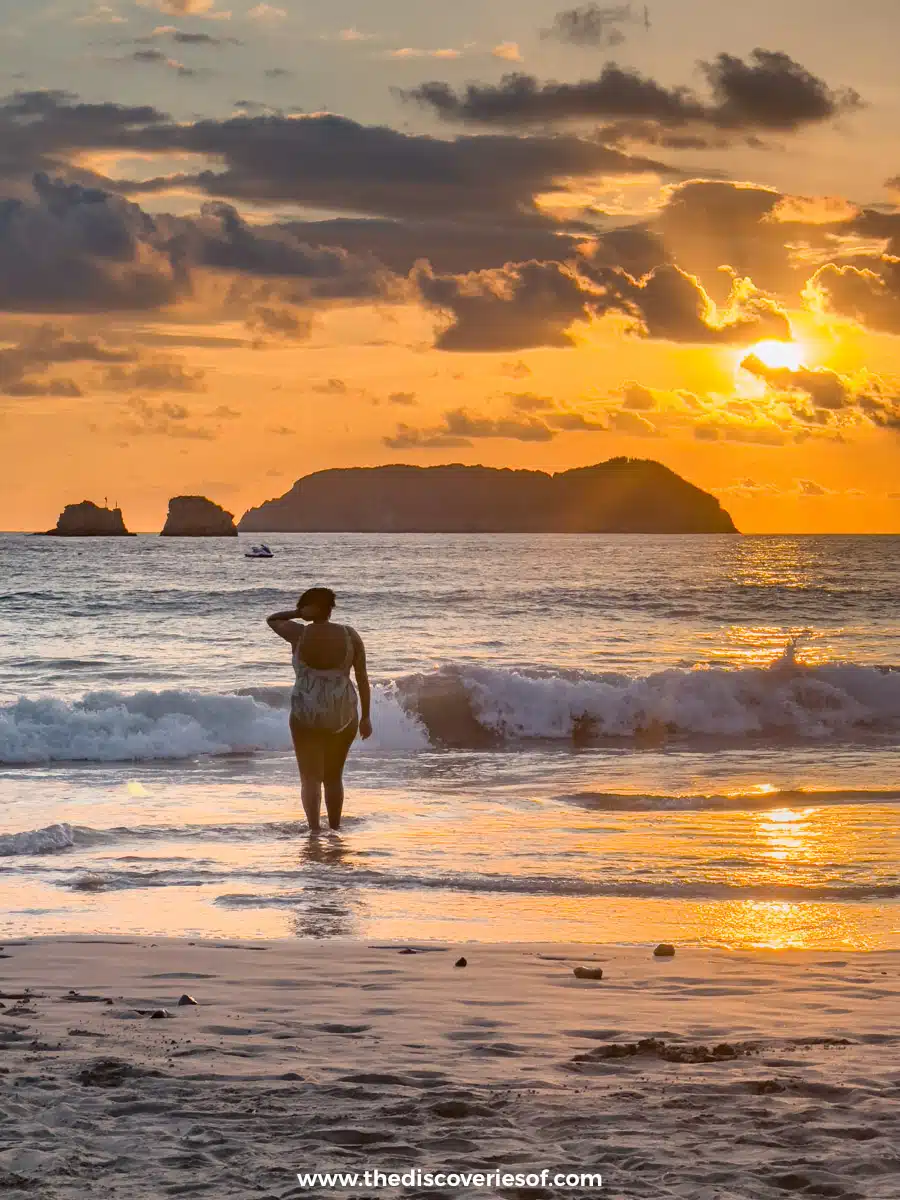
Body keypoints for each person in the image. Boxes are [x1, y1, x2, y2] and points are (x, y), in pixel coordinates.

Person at [267, 587, 371, 832]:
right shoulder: (350, 635)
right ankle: (334, 830)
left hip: (306, 711)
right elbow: (363, 678)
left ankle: (314, 830)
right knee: (334, 776)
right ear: (331, 609)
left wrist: (297, 613)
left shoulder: (298, 633)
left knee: (310, 777)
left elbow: (272, 619)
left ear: (308, 607)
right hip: (343, 710)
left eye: (304, 605)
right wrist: (366, 717)